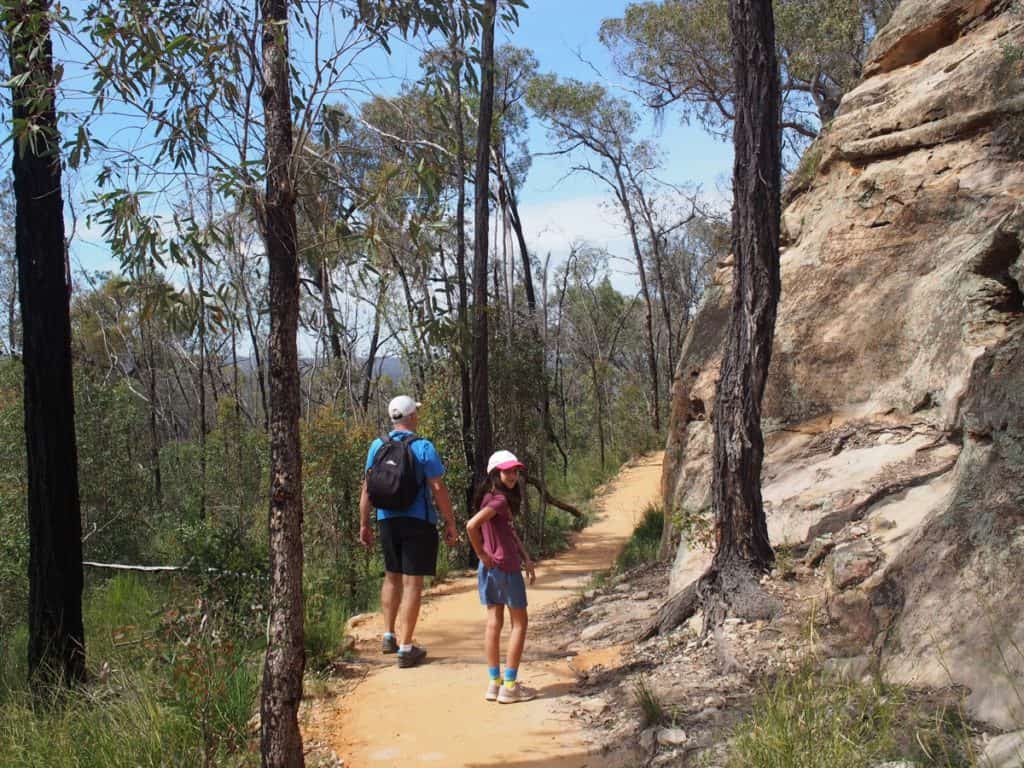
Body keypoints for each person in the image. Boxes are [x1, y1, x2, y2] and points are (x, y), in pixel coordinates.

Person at [359, 395, 458, 668]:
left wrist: (364, 524)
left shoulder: (377, 445)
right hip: (418, 521)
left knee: (392, 577)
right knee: (413, 583)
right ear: (412, 417)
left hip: (386, 520)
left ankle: (389, 635)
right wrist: (450, 523)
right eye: (417, 413)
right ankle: (406, 648)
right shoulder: (423, 447)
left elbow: (367, 488)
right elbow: (437, 488)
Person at [466, 450, 537, 704]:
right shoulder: (499, 501)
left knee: (494, 622)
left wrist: (526, 556)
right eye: (507, 471)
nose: (513, 476)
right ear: (495, 473)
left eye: (515, 471)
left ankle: (494, 684)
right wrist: (482, 553)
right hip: (504, 566)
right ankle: (510, 686)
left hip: (491, 569)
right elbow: (471, 526)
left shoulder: (490, 498)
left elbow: (508, 531)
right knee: (520, 623)